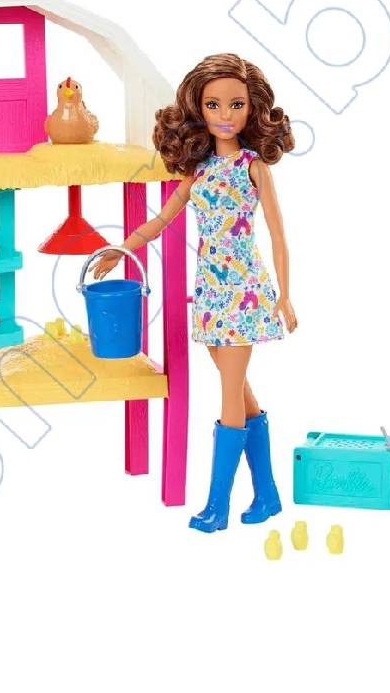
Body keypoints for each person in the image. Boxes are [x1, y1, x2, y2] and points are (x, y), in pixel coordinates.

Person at [91, 53, 297, 532]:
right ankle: (267, 495)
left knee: (228, 394)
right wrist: (122, 249)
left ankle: (216, 505)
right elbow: (162, 220)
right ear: (198, 109)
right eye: (213, 104)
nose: (225, 115)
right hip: (209, 294)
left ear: (252, 108)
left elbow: (278, 235)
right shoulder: (200, 170)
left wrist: (284, 295)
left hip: (243, 293)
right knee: (239, 392)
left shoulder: (253, 167)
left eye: (236, 104)